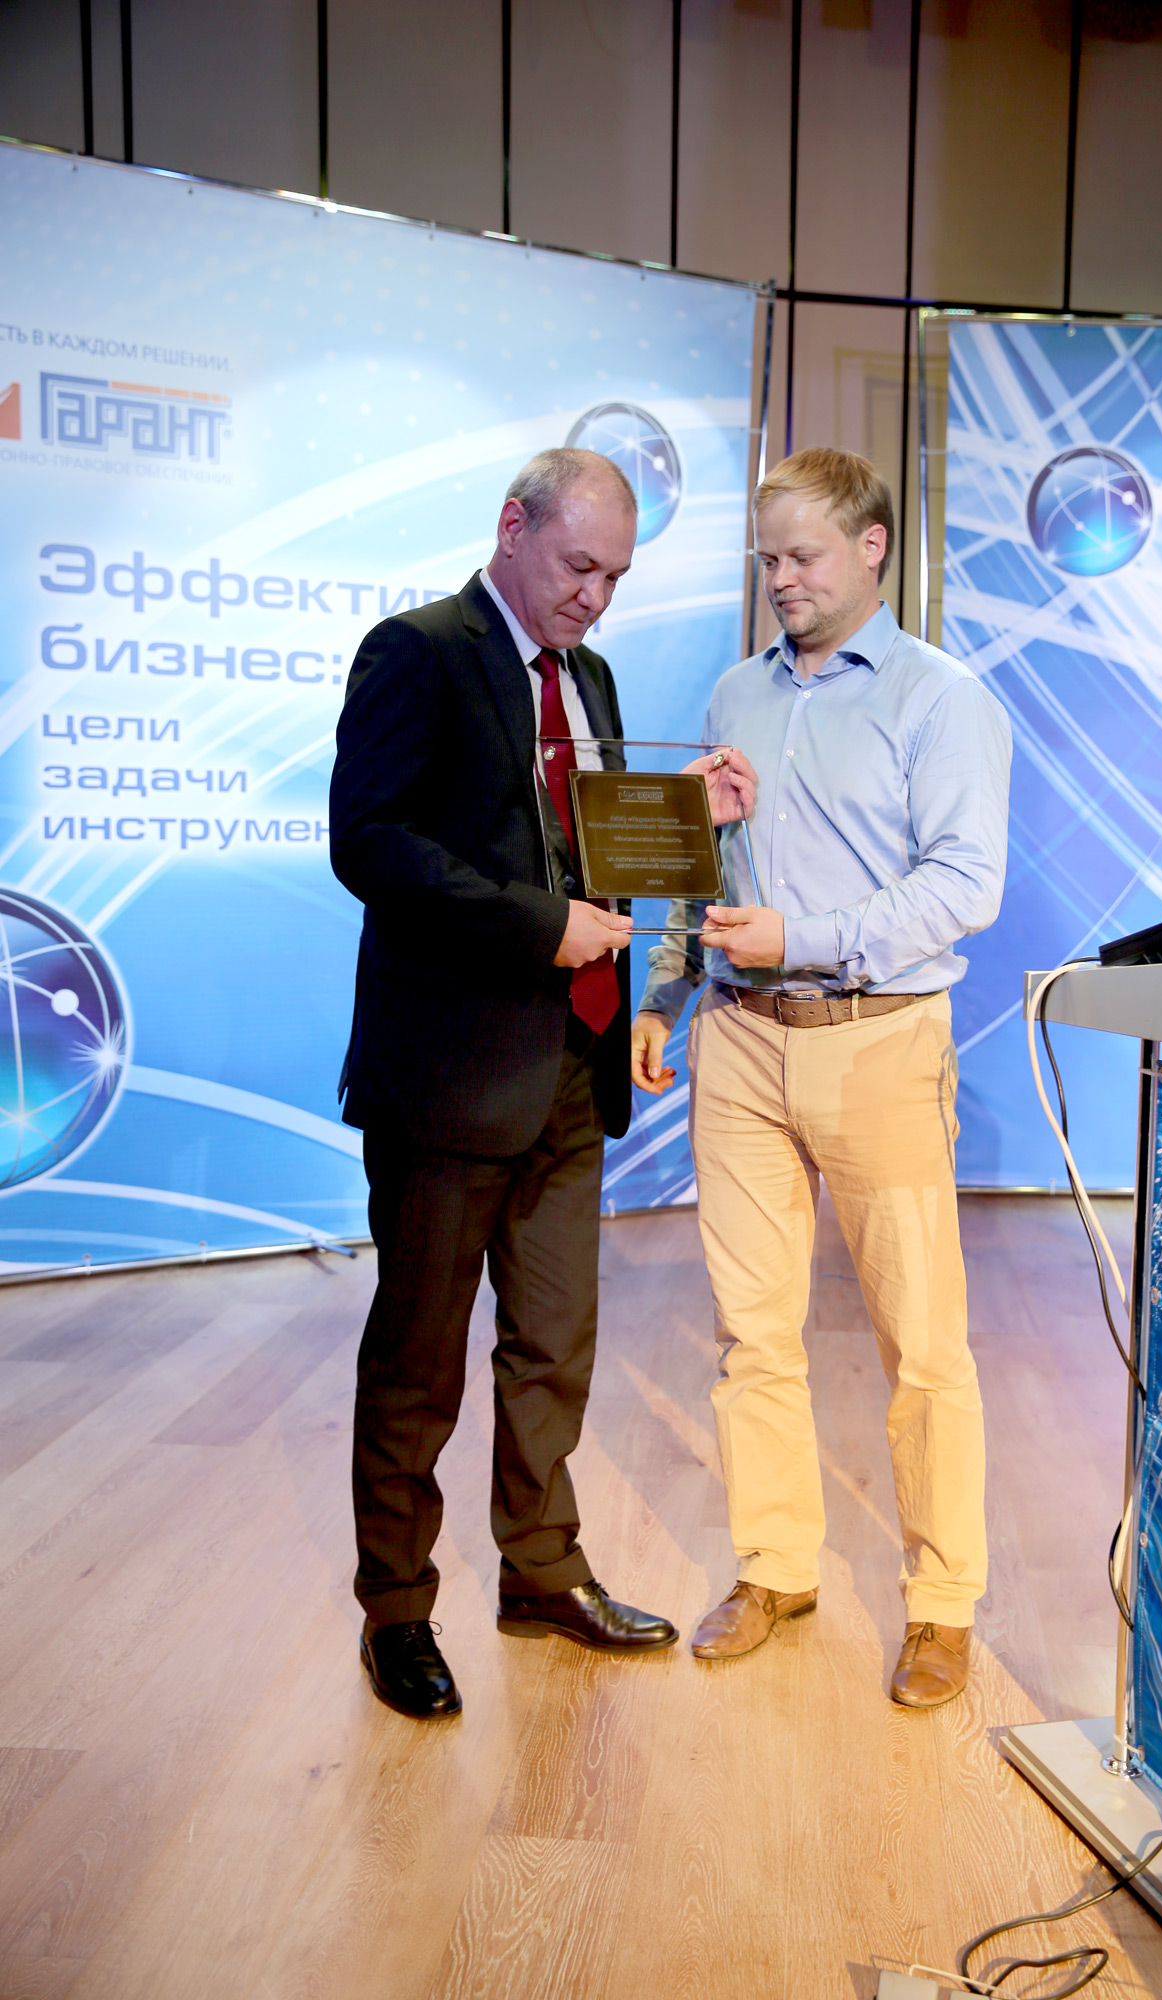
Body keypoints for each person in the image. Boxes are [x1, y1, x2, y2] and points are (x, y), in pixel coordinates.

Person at [631, 447, 1011, 1708]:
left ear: (871, 547)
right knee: (751, 1331)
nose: (781, 579)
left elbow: (964, 886)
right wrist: (667, 988)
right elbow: (701, 861)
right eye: (767, 559)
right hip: (738, 1042)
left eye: (801, 555)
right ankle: (775, 1568)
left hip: (879, 1038)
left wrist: (804, 935)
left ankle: (942, 1601)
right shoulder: (734, 692)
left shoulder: (939, 699)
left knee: (922, 1344)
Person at [330, 447, 688, 1720]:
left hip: (574, 1073)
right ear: (512, 527)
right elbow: (370, 842)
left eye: (616, 576)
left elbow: (593, 845)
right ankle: (397, 1609)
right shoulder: (417, 651)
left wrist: (687, 815)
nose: (596, 595)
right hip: (449, 1081)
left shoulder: (591, 677)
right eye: (579, 566)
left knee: (554, 1347)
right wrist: (539, 928)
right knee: (418, 1360)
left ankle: (540, 1570)